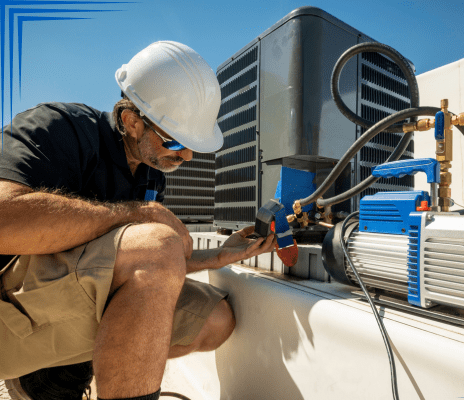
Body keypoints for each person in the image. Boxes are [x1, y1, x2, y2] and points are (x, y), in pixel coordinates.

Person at [0, 41, 275, 400]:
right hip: (12, 316)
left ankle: (92, 373)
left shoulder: (149, 176)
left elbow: (146, 268)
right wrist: (139, 213)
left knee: (216, 319)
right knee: (157, 242)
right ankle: (38, 377)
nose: (188, 156)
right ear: (131, 122)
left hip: (69, 312)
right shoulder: (61, 129)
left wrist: (220, 257)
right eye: (176, 143)